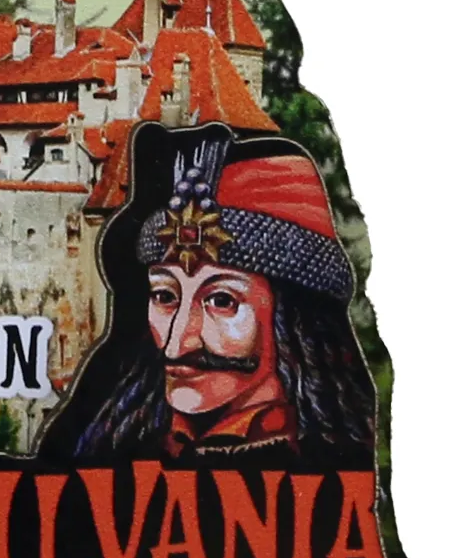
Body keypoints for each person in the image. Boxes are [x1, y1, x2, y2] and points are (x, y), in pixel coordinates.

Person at [40, 122, 377, 468]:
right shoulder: (117, 444)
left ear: (295, 325)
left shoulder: (328, 466)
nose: (177, 344)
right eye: (164, 296)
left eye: (221, 301)